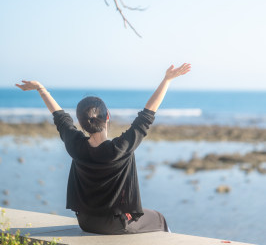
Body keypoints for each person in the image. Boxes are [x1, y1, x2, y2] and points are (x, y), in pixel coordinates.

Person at [15, 63, 191, 235]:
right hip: (115, 224)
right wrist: (167, 80)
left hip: (85, 222)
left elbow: (60, 117)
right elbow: (147, 114)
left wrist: (41, 89)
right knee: (159, 219)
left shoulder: (75, 145)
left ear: (81, 123)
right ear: (107, 116)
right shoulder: (120, 148)